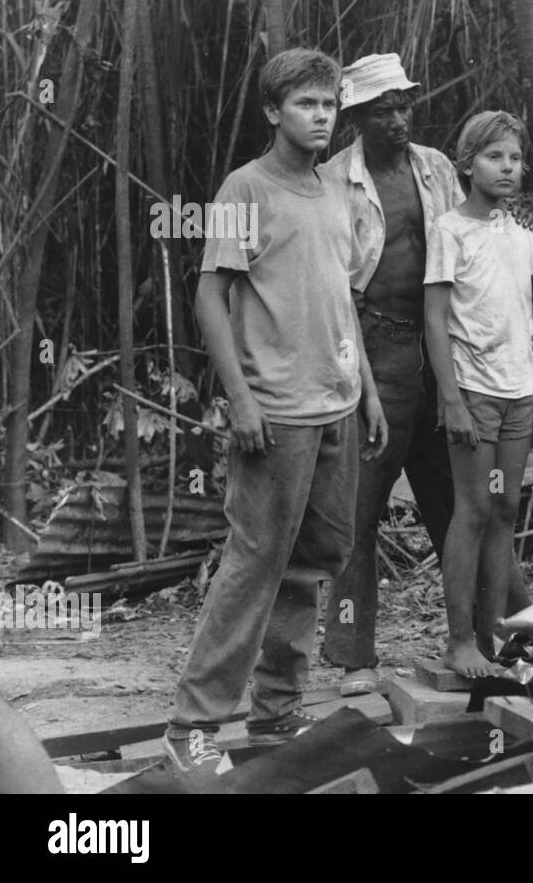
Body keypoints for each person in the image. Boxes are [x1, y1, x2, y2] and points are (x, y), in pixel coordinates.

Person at [164, 48, 387, 780]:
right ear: (273, 112)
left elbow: (341, 300)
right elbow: (209, 296)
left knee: (313, 558)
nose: (321, 117)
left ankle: (277, 704)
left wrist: (371, 393)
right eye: (306, 105)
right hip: (277, 410)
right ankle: (193, 723)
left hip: (337, 404)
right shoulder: (244, 188)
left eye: (329, 105)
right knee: (256, 561)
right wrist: (240, 396)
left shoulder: (333, 190)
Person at [318, 54, 528, 696]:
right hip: (376, 343)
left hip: (450, 352)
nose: (399, 118)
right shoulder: (334, 182)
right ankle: (355, 657)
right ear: (356, 116)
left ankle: (505, 633)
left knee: (471, 499)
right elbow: (336, 293)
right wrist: (366, 389)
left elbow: (487, 250)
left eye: (405, 105)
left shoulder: (437, 166)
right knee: (362, 504)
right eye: (384, 110)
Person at [424, 111, 533, 678]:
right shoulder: (450, 231)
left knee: (505, 509)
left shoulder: (521, 237)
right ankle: (458, 641)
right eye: (494, 157)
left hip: (518, 392)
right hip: (474, 390)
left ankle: (492, 635)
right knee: (473, 508)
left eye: (514, 158)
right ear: (467, 164)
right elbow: (434, 319)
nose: (507, 167)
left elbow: (526, 316)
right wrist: (449, 397)